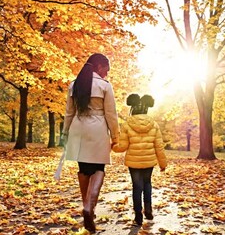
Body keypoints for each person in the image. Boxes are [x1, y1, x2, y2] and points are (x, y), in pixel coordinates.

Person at [61, 53, 119, 232]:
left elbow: (69, 112)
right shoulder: (104, 86)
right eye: (106, 70)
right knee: (99, 169)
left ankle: (86, 205)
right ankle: (89, 207)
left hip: (78, 129)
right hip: (98, 129)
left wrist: (65, 133)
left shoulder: (74, 85)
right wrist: (115, 136)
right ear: (99, 66)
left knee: (84, 169)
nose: (106, 74)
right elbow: (111, 114)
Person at [112, 94, 167, 226]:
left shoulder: (127, 124)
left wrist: (114, 147)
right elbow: (159, 146)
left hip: (134, 162)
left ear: (133, 109)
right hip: (149, 161)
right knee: (147, 183)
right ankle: (148, 208)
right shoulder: (153, 124)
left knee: (137, 187)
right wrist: (162, 163)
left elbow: (123, 146)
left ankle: (138, 215)